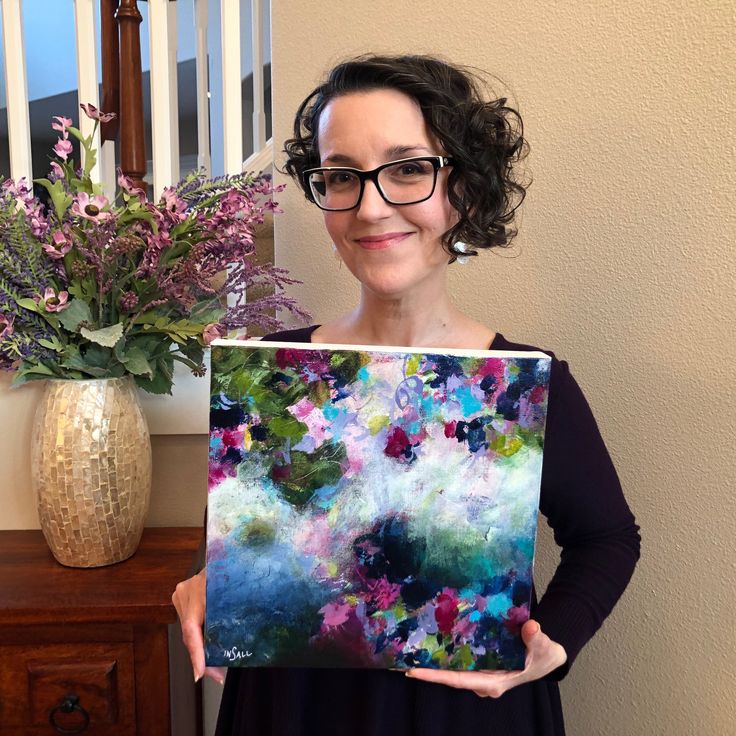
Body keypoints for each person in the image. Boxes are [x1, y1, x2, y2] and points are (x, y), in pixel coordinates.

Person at [173, 54, 641, 736]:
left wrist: (552, 646)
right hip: (292, 711)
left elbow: (607, 538)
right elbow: (252, 537)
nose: (369, 206)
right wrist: (205, 580)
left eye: (408, 169)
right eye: (340, 176)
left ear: (466, 189)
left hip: (465, 714)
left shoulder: (526, 384)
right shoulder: (272, 374)